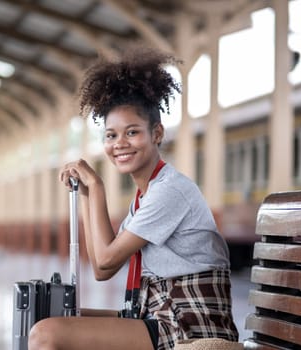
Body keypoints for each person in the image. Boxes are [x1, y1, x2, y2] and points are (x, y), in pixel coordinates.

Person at [28, 47, 240, 350]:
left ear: (157, 133)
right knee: (54, 317)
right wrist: (87, 193)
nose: (120, 144)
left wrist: (96, 184)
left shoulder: (170, 191)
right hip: (158, 316)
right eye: (111, 135)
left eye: (132, 132)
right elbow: (103, 270)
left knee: (46, 335)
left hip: (191, 326)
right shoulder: (145, 196)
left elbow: (104, 259)